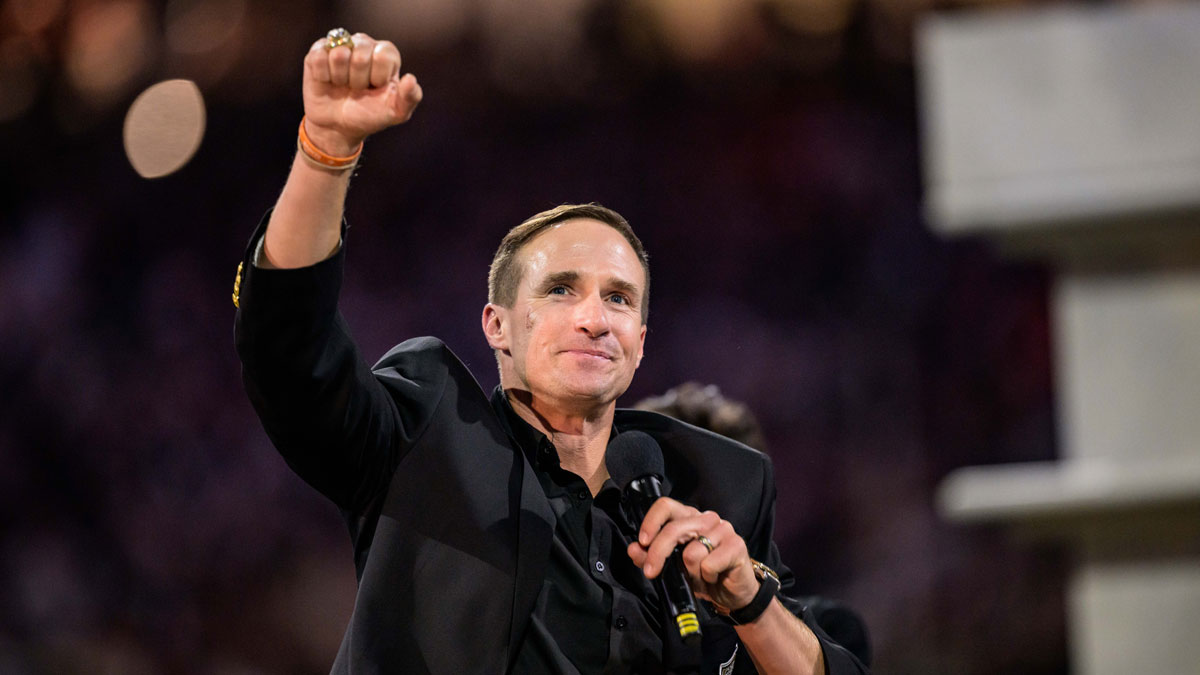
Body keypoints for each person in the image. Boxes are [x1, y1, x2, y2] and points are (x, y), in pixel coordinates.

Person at [233, 28, 869, 674]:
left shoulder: (717, 485)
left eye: (620, 299)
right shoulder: (427, 439)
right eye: (562, 289)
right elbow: (290, 350)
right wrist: (326, 152)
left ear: (640, 344)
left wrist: (751, 601)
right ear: (497, 325)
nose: (594, 318)